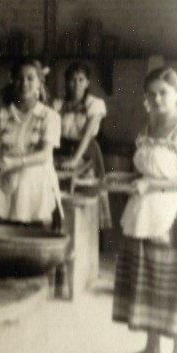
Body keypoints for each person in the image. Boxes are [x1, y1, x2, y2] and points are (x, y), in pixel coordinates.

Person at [112, 67, 177, 353]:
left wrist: (149, 186)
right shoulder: (149, 127)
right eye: (151, 94)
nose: (157, 98)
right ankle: (151, 348)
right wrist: (123, 176)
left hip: (173, 213)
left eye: (163, 93)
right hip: (145, 209)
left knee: (172, 279)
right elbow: (149, 170)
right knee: (146, 274)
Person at [0, 59, 62, 226]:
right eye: (19, 78)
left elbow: (45, 155)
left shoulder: (49, 117)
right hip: (6, 194)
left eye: (30, 78)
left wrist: (13, 162)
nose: (24, 83)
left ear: (39, 83)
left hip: (37, 195)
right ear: (12, 82)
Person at [53, 61, 111, 228]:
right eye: (72, 79)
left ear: (87, 82)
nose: (76, 84)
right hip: (61, 151)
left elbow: (87, 135)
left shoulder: (95, 104)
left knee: (84, 200)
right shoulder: (58, 104)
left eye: (80, 79)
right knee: (60, 199)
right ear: (66, 82)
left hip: (86, 154)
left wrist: (75, 159)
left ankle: (89, 243)